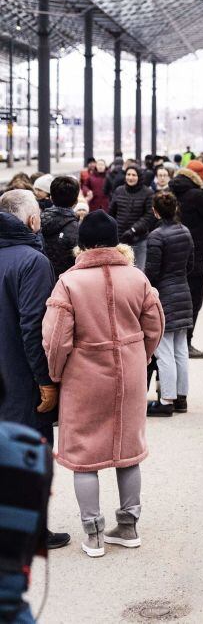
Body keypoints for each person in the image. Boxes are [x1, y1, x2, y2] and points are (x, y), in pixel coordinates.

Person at [42, 210, 165, 558]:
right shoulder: (137, 278)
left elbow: (55, 339)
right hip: (129, 371)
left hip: (84, 375)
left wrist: (56, 373)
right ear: (116, 241)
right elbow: (155, 326)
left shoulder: (69, 282)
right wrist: (139, 356)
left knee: (85, 456)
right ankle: (128, 527)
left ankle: (93, 534)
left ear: (82, 244)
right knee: (127, 452)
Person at [0, 190, 70, 550]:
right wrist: (46, 380)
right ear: (30, 221)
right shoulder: (33, 261)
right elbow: (34, 329)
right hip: (21, 381)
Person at [144, 193, 194, 417]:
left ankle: (166, 400)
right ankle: (181, 397)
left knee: (163, 351)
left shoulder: (156, 236)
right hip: (183, 291)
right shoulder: (185, 231)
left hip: (165, 295)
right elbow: (190, 264)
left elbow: (152, 271)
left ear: (155, 211)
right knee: (180, 349)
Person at [170, 166, 203, 359]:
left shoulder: (172, 191)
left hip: (173, 252)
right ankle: (186, 343)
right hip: (196, 254)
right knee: (194, 301)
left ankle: (174, 343)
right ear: (200, 177)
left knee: (174, 299)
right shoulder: (196, 195)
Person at [109, 164, 155, 270]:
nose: (130, 177)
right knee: (119, 270)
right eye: (128, 174)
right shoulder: (119, 190)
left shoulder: (148, 193)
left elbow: (149, 216)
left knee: (138, 270)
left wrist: (133, 230)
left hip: (139, 239)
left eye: (134, 175)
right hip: (120, 238)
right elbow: (111, 212)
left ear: (139, 177)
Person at [40, 176, 82, 277]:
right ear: (76, 201)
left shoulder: (36, 222)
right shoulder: (78, 229)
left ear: (51, 198)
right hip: (67, 283)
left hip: (40, 280)